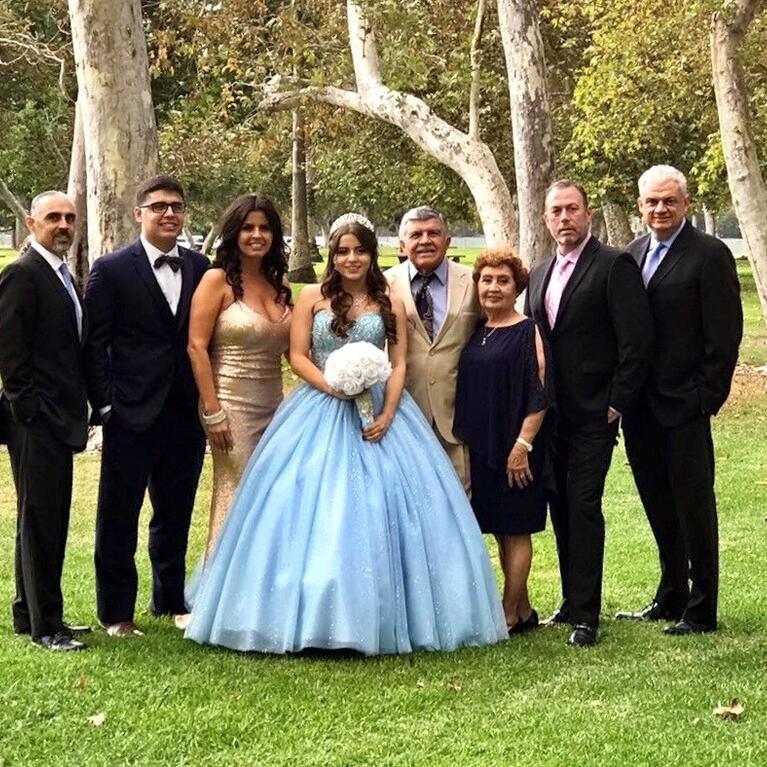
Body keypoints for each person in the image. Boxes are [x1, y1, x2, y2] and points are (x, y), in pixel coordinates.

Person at [185, 213, 507, 654]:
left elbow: (398, 363)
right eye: (342, 251)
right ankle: (306, 610)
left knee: (386, 505)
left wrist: (390, 411)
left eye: (360, 250)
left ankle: (387, 611)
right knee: (307, 506)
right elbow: (298, 356)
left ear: (373, 255)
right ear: (332, 256)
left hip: (380, 412)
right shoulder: (312, 298)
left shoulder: (388, 299)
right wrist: (332, 385)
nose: (351, 259)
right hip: (319, 406)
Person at [526, 180, 653, 647]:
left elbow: (636, 342)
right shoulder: (538, 273)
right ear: (545, 219)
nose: (564, 218)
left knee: (583, 505)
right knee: (559, 505)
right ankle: (571, 601)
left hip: (595, 414)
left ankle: (588, 617)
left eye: (572, 209)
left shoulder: (614, 265)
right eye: (556, 211)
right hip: (551, 414)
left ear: (588, 214)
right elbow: (535, 341)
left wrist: (617, 402)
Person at [617, 165, 742, 635]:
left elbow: (725, 334)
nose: (660, 209)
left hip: (684, 406)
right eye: (651, 202)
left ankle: (702, 607)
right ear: (640, 206)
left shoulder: (709, 255)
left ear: (685, 203)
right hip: (640, 408)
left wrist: (704, 397)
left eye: (669, 201)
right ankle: (671, 595)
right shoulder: (630, 255)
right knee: (657, 503)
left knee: (693, 506)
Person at [84, 175, 210, 636]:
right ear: (139, 214)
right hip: (129, 414)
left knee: (175, 511)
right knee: (119, 514)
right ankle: (116, 613)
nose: (169, 214)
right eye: (158, 206)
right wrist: (106, 408)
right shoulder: (112, 268)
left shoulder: (201, 267)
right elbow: (94, 345)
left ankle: (170, 599)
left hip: (184, 414)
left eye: (176, 206)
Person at [0, 191, 90, 651]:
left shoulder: (61, 274)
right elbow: (10, 354)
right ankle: (46, 627)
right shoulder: (22, 274)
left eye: (70, 218)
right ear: (32, 223)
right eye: (53, 217)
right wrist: (28, 411)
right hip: (35, 421)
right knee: (41, 520)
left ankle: (28, 612)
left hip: (59, 417)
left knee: (44, 517)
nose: (63, 225)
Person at [454, 248, 553, 634]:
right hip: (483, 448)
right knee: (498, 529)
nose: (493, 288)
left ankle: (508, 614)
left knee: (517, 529)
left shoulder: (528, 330)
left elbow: (539, 393)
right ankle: (525, 610)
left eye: (503, 281)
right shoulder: (479, 331)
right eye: (486, 280)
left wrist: (522, 446)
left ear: (517, 287)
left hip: (516, 450)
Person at [188, 195, 291, 555]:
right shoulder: (216, 280)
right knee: (238, 493)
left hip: (276, 409)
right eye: (248, 228)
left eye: (265, 228)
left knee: (272, 498)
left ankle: (264, 588)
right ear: (234, 233)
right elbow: (196, 347)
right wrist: (213, 411)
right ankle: (223, 591)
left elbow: (297, 355)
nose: (257, 235)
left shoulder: (280, 287)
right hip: (230, 409)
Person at [385, 207, 479, 490]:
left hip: (459, 418)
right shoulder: (382, 286)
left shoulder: (474, 282)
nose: (425, 240)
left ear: (447, 241)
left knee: (461, 509)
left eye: (433, 233)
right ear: (402, 245)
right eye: (416, 235)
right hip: (404, 418)